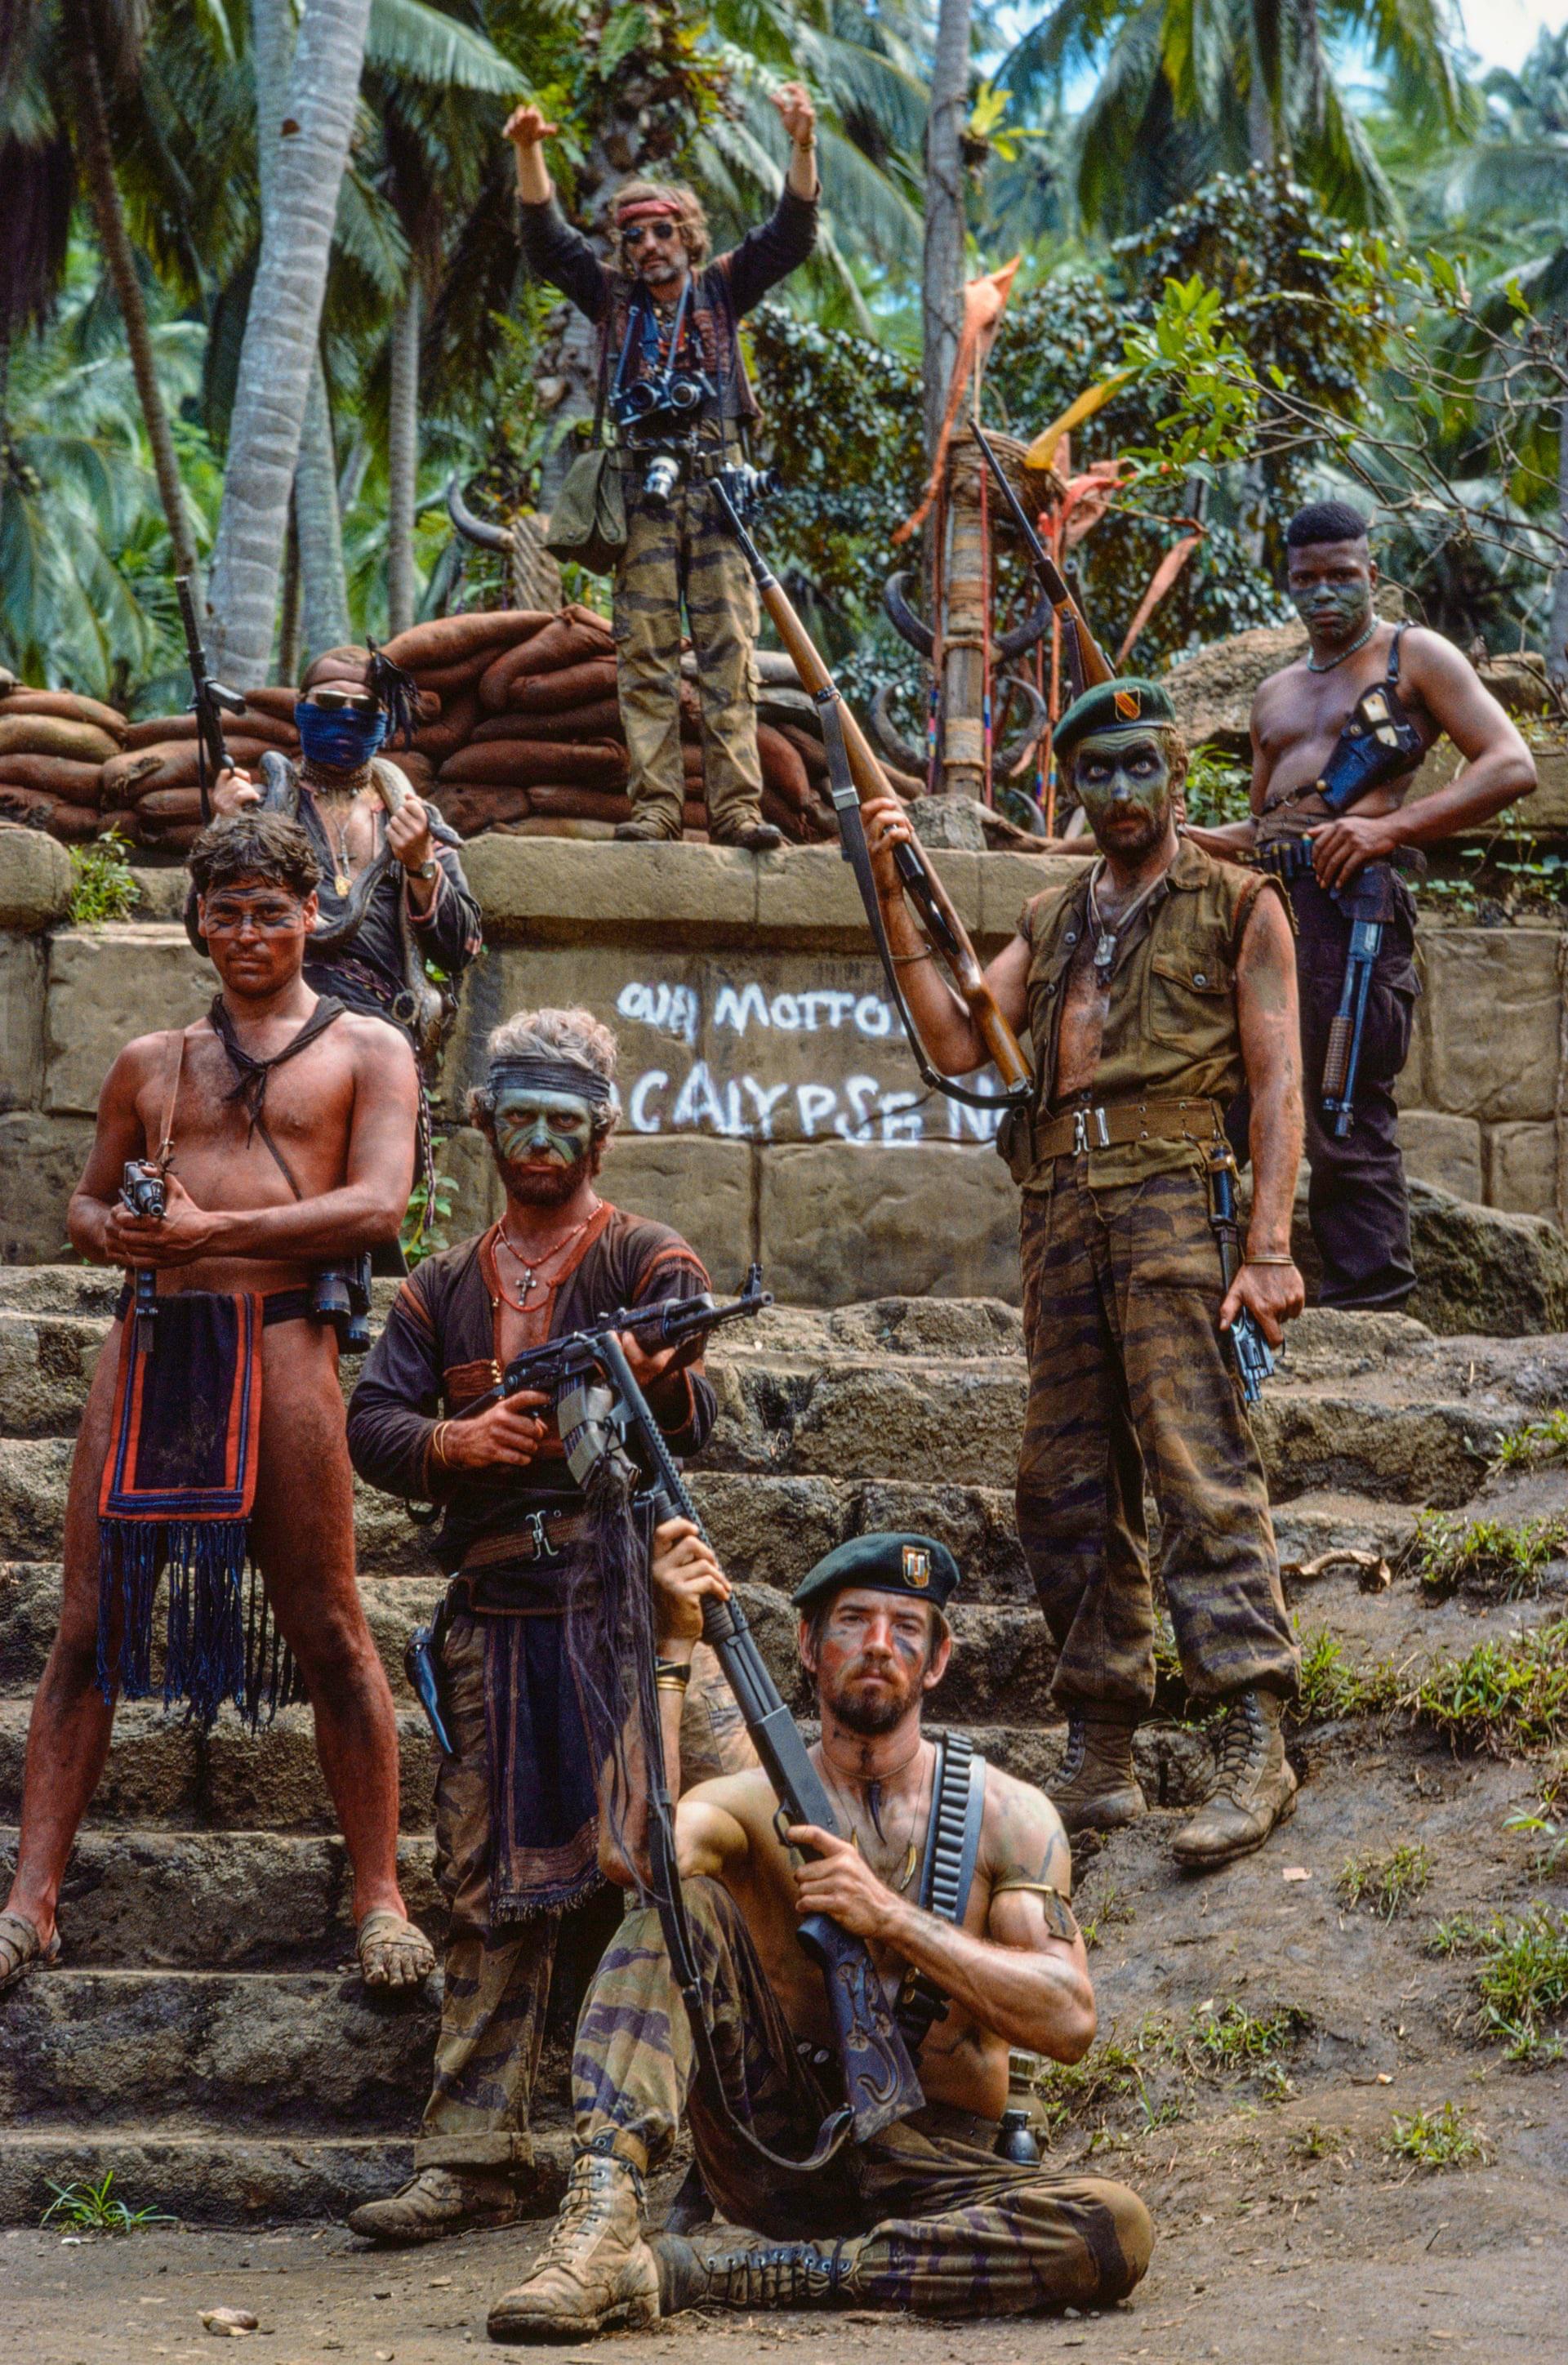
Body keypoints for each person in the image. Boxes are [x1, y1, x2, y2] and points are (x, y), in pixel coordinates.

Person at [481, 1526, 1152, 2342]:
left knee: (1112, 2226)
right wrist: (672, 1644)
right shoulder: (748, 1800)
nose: (878, 1644)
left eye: (907, 1627)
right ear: (807, 1644)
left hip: (941, 2170)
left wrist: (888, 1915)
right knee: (675, 1905)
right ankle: (598, 2220)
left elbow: (1069, 2019)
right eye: (852, 1621)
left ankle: (719, 2273)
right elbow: (630, 1854)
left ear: (938, 1660)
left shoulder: (1011, 1817)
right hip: (778, 2152)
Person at [858, 681, 1306, 1868]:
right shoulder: (1052, 917)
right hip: (1060, 1210)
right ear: (1073, 789)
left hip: (1175, 1203)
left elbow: (1277, 1086)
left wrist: (1268, 1248)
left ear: (1174, 778)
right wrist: (898, 895)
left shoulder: (1238, 905)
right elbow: (959, 1044)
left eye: (1137, 767)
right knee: (1061, 1485)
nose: (1118, 792)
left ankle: (1254, 1737)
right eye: (1095, 773)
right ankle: (1102, 1749)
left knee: (1196, 1463)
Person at [0, 813, 434, 2002]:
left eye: (272, 910)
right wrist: (131, 1233)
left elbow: (379, 1207)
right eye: (227, 910)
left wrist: (218, 1233)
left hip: (287, 1340)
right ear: (198, 920)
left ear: (314, 916)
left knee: (335, 1629)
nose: (248, 933)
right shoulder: (151, 1062)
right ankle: (30, 1900)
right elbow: (83, 1213)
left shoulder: (369, 1051)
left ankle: (381, 1897)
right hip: (154, 1346)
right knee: (85, 1628)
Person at [343, 1006, 755, 2247]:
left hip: (626, 1607)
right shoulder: (437, 1292)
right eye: (515, 1118)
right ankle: (473, 2153)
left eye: (560, 1122)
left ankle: (696, 2144)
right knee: (481, 1886)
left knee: (668, 1859)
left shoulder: (645, 1257)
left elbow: (699, 1393)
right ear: (482, 1129)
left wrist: (649, 1375)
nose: (536, 1142)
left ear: (601, 1133)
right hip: (494, 1623)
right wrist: (455, 1443)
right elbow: (374, 1425)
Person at [1183, 500, 1536, 1308]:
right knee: (1228, 1092)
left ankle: (1372, 1308)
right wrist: (1194, 836)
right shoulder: (1273, 692)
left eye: (1343, 576)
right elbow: (1272, 824)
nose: (1325, 595)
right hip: (1268, 903)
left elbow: (1511, 763)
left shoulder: (1414, 657)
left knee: (1342, 1102)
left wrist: (1390, 829)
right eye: (1307, 580)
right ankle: (1206, 1282)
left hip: (1353, 908)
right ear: (1289, 585)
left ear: (1372, 574)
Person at [506, 86, 821, 851]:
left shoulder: (720, 286)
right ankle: (654, 809)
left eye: (662, 230)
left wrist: (803, 144)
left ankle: (738, 811)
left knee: (729, 654)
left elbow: (791, 236)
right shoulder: (610, 297)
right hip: (642, 488)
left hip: (718, 487)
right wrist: (528, 149)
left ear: (687, 234)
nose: (648, 244)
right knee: (642, 653)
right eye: (635, 234)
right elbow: (547, 242)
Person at [210, 643, 482, 1058]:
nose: (348, 715)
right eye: (331, 702)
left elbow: (462, 948)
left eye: (366, 707)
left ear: (385, 720)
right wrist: (226, 829)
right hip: (272, 1035)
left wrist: (422, 865)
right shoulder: (259, 810)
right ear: (301, 707)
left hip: (386, 1041)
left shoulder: (412, 819)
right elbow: (205, 930)